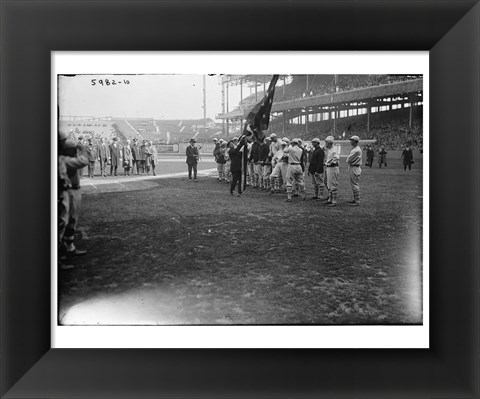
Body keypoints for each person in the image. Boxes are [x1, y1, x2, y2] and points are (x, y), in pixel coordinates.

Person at [58, 132, 89, 269]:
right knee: (63, 222)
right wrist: (81, 148)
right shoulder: (62, 159)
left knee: (71, 220)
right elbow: (83, 161)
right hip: (67, 191)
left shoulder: (64, 157)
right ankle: (59, 255)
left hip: (73, 190)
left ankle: (69, 246)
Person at [346, 135, 362, 206]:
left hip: (355, 167)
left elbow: (349, 159)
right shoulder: (354, 148)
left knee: (355, 184)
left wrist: (348, 160)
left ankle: (357, 201)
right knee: (353, 184)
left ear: (355, 141)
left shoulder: (356, 150)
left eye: (351, 140)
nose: (350, 141)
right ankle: (355, 199)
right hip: (353, 167)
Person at [323, 136, 340, 207]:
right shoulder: (330, 149)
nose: (325, 144)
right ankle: (330, 199)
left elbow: (336, 158)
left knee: (333, 184)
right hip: (329, 168)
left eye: (326, 142)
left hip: (333, 168)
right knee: (329, 184)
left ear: (329, 143)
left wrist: (330, 163)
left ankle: (334, 201)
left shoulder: (334, 149)